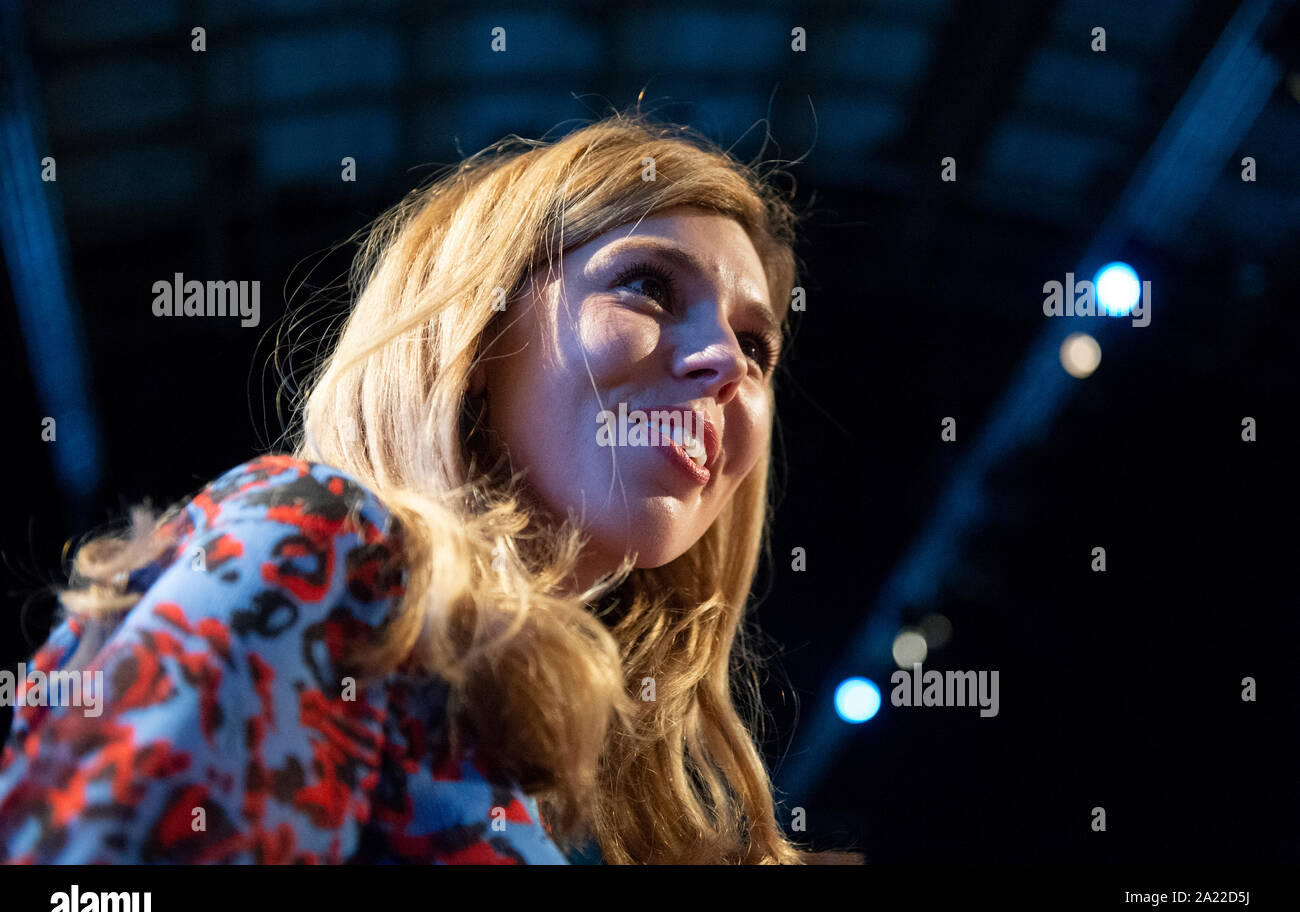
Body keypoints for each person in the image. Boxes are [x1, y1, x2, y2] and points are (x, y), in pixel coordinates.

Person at [0, 109, 862, 865]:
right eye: (648, 286)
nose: (724, 365)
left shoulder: (569, 784)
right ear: (478, 340)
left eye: (758, 346)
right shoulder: (320, 543)